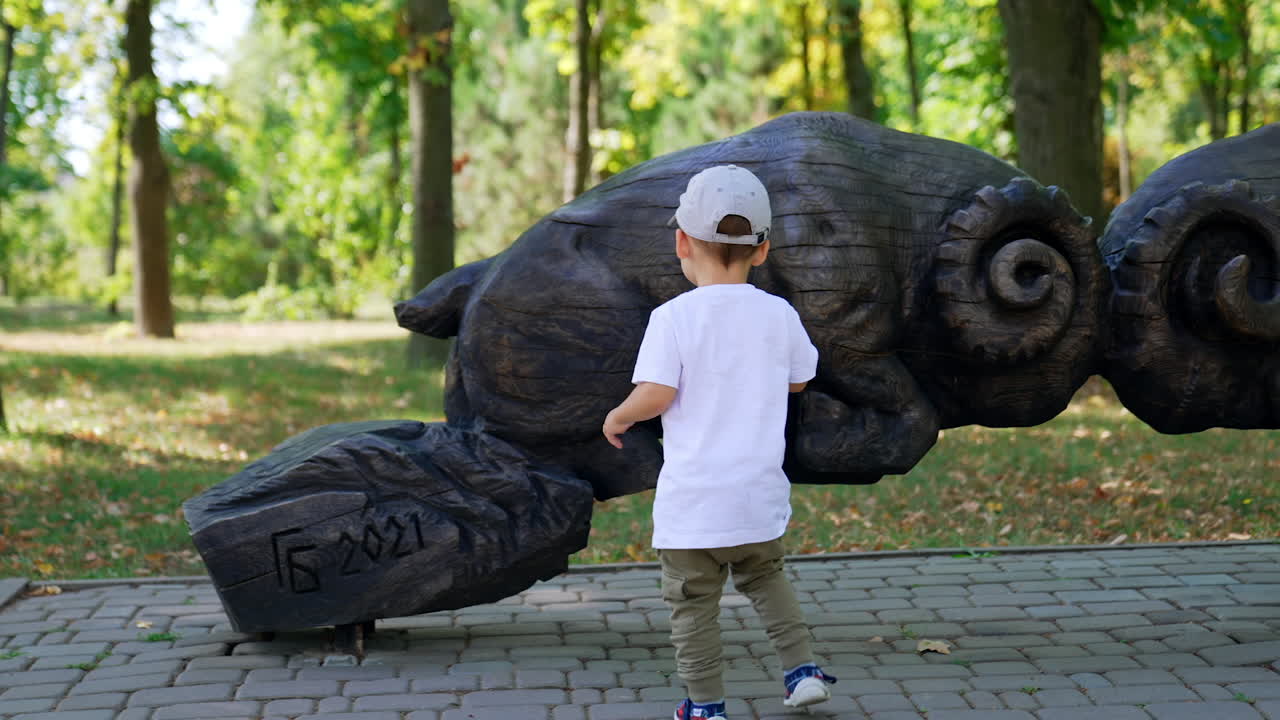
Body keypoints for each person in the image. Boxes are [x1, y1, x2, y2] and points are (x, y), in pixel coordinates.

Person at [602, 165, 837, 720]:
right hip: (756, 497)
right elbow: (801, 377)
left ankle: (706, 706)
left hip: (695, 507)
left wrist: (618, 415)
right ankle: (801, 670)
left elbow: (656, 394)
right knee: (767, 580)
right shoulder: (778, 314)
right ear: (761, 251)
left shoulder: (673, 318)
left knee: (692, 608)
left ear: (682, 242)